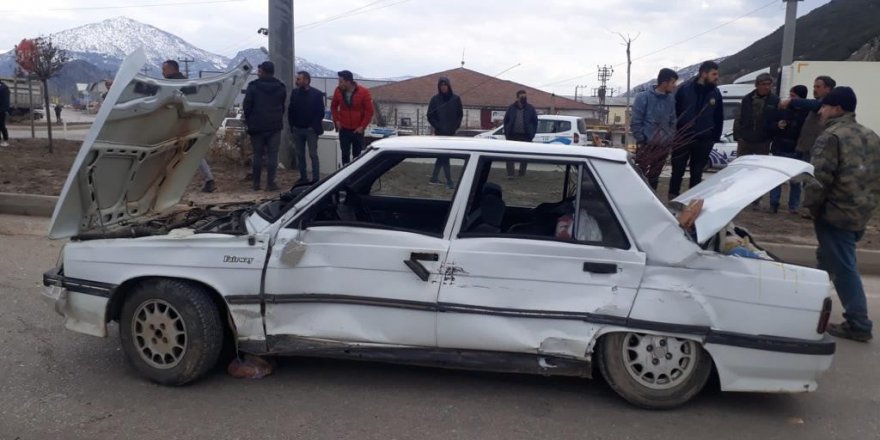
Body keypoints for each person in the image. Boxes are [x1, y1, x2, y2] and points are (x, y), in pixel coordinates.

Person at [803, 86, 879, 342]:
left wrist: (812, 207)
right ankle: (810, 307)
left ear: (837, 109)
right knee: (826, 260)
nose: (821, 111)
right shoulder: (871, 135)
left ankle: (859, 323)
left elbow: (819, 178)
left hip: (836, 213)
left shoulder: (831, 136)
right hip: (861, 210)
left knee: (844, 266)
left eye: (824, 106)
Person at [669, 60, 724, 199]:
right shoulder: (684, 89)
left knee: (697, 172)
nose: (716, 77)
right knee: (677, 170)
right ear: (703, 74)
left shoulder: (716, 93)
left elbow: (718, 117)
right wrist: (675, 134)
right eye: (714, 74)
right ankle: (673, 197)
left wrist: (713, 138)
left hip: (704, 140)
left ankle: (691, 202)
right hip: (683, 137)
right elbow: (674, 113)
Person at [162, 59, 217, 192]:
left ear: (172, 69)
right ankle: (208, 179)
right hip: (191, 123)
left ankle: (168, 183)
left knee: (172, 153)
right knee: (193, 152)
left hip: (177, 125)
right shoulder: (188, 84)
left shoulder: (171, 85)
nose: (162, 72)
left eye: (164, 69)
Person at [631, 68, 678, 190]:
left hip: (663, 145)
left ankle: (652, 201)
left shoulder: (671, 99)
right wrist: (642, 139)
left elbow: (673, 121)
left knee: (654, 177)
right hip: (646, 144)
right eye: (672, 82)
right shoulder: (643, 97)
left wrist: (669, 138)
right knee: (640, 176)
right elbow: (636, 121)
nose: (674, 86)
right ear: (664, 82)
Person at [243, 61, 287, 191]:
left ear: (262, 71)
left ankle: (256, 184)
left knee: (257, 155)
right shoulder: (280, 87)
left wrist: (250, 120)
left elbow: (247, 106)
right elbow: (282, 106)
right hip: (274, 126)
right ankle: (270, 183)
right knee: (273, 156)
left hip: (257, 126)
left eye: (259, 70)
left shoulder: (253, 86)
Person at [768, 85, 809, 214]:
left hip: (796, 149)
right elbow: (770, 124)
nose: (790, 99)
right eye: (790, 95)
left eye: (793, 96)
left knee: (796, 181)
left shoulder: (807, 112)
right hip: (780, 147)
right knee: (775, 179)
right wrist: (777, 125)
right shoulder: (782, 108)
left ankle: (793, 206)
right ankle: (774, 204)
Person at [780, 75, 836, 163]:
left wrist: (792, 101)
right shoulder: (818, 102)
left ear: (828, 89)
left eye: (818, 87)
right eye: (814, 86)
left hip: (816, 150)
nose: (815, 89)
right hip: (807, 148)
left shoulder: (830, 102)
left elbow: (815, 105)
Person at [287, 70, 325, 184]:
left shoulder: (317, 94)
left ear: (306, 80)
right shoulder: (295, 93)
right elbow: (291, 110)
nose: (296, 81)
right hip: (297, 129)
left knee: (313, 154)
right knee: (300, 154)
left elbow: (320, 112)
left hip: (310, 130)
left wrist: (313, 126)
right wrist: (292, 125)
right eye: (296, 79)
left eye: (299, 79)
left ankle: (315, 179)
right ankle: (303, 177)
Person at [426, 76, 463, 189]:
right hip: (440, 133)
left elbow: (459, 115)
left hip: (451, 133)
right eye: (441, 85)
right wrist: (438, 126)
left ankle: (434, 178)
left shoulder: (456, 99)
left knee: (443, 156)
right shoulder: (435, 99)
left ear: (448, 85)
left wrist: (455, 127)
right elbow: (430, 116)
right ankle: (449, 181)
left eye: (445, 85)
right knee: (444, 156)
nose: (443, 87)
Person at [331, 70, 374, 165]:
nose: (339, 84)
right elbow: (333, 106)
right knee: (345, 155)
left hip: (357, 130)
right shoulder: (338, 91)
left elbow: (369, 111)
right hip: (344, 129)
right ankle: (345, 176)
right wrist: (336, 120)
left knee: (357, 156)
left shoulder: (363, 92)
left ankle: (357, 176)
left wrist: (362, 126)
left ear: (348, 81)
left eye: (341, 81)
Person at [502, 90, 537, 177]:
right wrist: (507, 132)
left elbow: (535, 122)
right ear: (517, 98)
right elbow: (506, 121)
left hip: (526, 136)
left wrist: (532, 134)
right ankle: (510, 174)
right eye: (522, 97)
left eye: (525, 97)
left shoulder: (530, 108)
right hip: (512, 136)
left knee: (524, 157)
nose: (524, 98)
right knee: (509, 156)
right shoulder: (511, 108)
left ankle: (522, 174)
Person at [0, 80, 9, 147]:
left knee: (1, 125)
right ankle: (4, 140)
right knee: (1, 125)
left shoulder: (3, 89)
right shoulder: (5, 88)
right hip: (3, 110)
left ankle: (5, 140)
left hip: (1, 110)